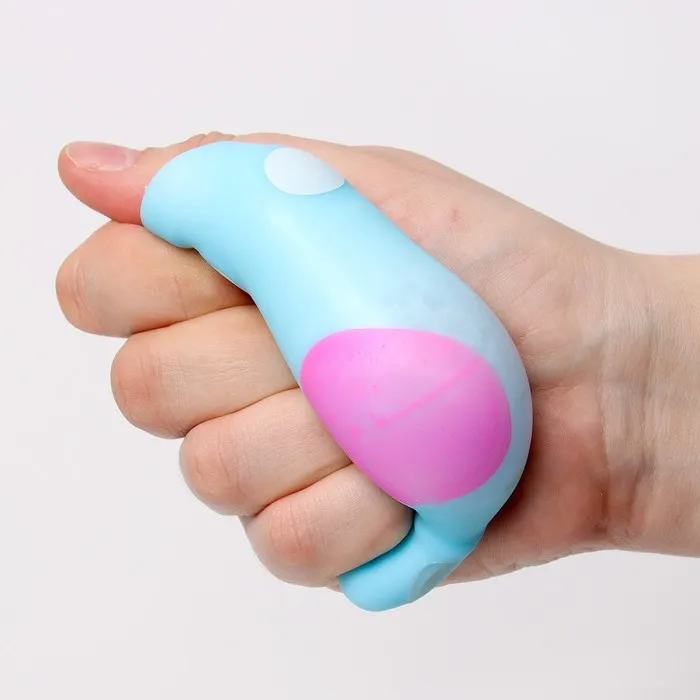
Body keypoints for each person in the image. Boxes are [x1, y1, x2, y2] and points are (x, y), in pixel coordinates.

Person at [55, 132, 700, 593]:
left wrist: (643, 392)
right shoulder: (244, 193)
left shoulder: (221, 193)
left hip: (472, 458)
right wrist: (636, 395)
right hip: (477, 458)